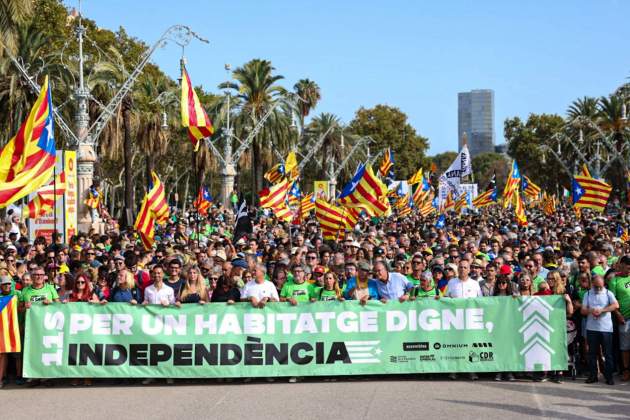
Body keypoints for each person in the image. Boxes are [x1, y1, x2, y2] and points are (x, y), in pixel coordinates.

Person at [445, 260, 481, 380]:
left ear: (469, 269)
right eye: (460, 267)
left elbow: (480, 301)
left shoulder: (475, 284)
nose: (462, 269)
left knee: (470, 346)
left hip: (470, 320)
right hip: (455, 320)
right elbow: (445, 298)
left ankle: (471, 370)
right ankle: (454, 370)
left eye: (465, 267)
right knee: (455, 345)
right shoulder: (451, 282)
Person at [582, 274, 619, 385]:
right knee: (592, 353)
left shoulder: (608, 293)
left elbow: (616, 305)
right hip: (591, 328)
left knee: (608, 354)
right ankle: (593, 375)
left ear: (603, 284)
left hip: (606, 328)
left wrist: (602, 310)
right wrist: (591, 310)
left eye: (600, 286)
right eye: (596, 286)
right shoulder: (587, 294)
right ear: (592, 284)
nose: (598, 288)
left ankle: (609, 377)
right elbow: (583, 310)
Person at [610, 255, 630, 382]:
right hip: (625, 318)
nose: (629, 270)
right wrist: (618, 315)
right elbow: (612, 300)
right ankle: (626, 370)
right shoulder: (614, 280)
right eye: (627, 268)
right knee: (625, 346)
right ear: (621, 265)